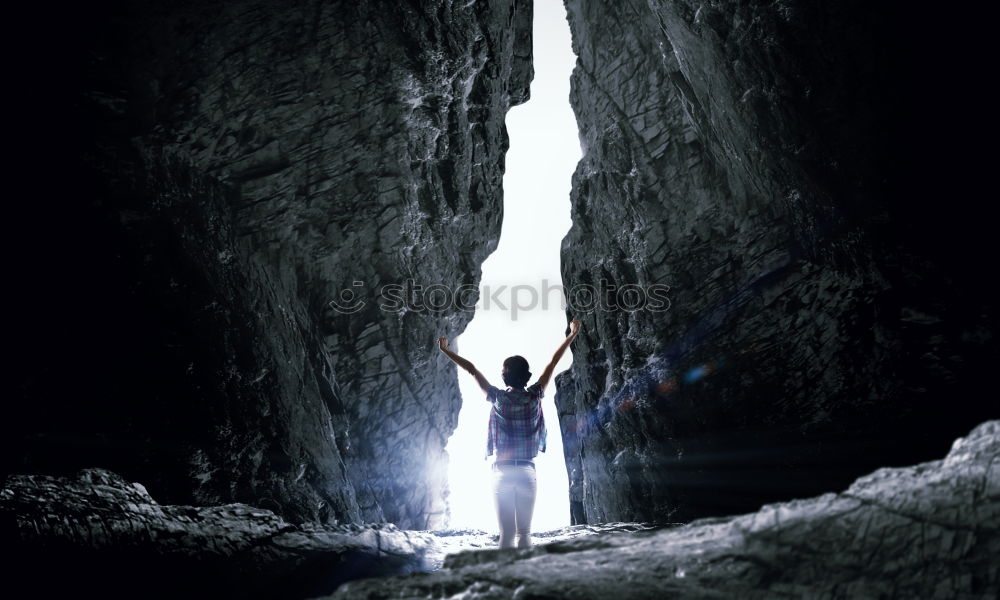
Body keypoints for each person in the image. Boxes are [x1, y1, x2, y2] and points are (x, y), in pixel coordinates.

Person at [437, 318, 582, 549]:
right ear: (527, 376)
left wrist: (445, 350)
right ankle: (526, 579)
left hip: (502, 471)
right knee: (524, 534)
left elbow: (472, 370)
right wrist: (571, 335)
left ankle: (506, 580)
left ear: (504, 376)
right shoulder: (535, 396)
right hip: (526, 471)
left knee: (506, 535)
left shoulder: (498, 399)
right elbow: (553, 362)